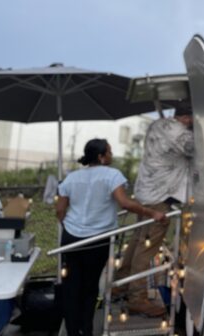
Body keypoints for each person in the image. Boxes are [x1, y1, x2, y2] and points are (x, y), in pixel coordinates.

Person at [55, 138, 166, 336]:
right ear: (101, 156)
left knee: (71, 287)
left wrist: (69, 226)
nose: (112, 155)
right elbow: (125, 203)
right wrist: (152, 213)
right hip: (97, 240)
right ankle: (86, 330)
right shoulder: (112, 175)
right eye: (109, 152)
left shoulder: (71, 177)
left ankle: (72, 331)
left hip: (70, 238)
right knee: (90, 287)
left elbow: (60, 209)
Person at [115, 105, 194, 317]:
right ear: (186, 117)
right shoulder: (181, 134)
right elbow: (200, 151)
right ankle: (137, 298)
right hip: (159, 197)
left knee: (137, 240)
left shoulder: (157, 124)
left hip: (144, 193)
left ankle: (120, 284)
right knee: (146, 249)